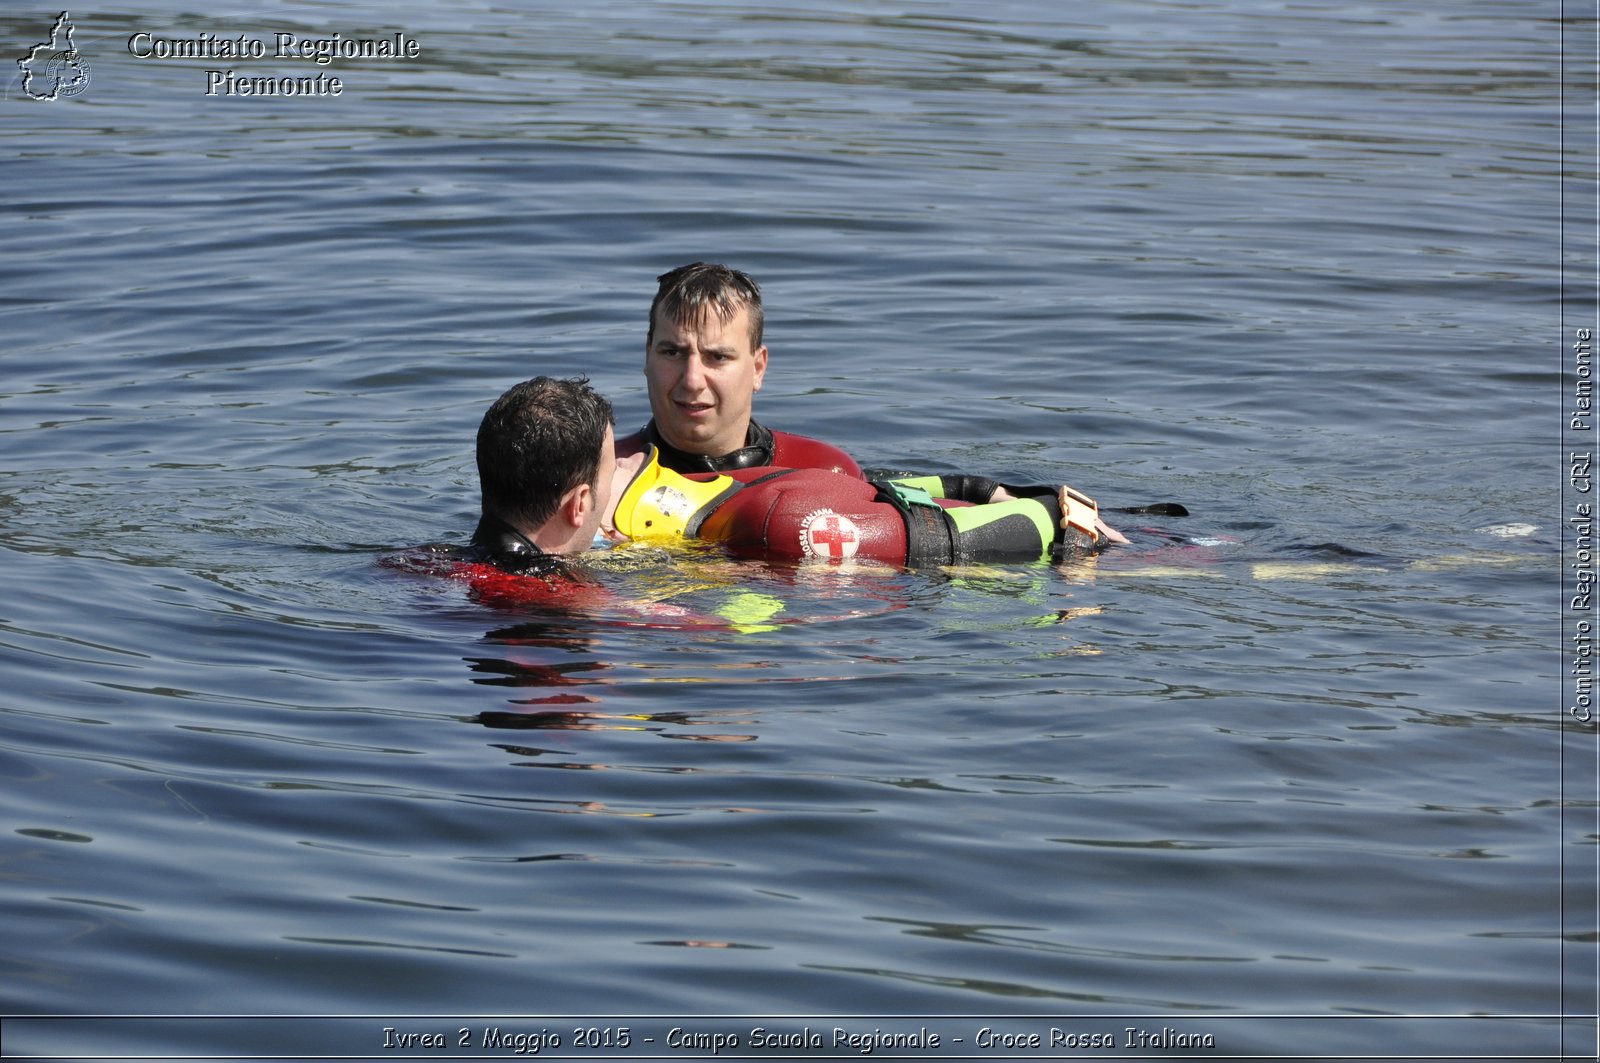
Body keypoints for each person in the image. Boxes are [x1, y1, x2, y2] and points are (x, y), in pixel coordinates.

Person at [473, 376, 1126, 574]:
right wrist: (1050, 515)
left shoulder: (431, 573)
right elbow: (929, 550)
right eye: (611, 463)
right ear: (579, 499)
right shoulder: (581, 607)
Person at [616, 262, 864, 477]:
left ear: (757, 368)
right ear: (648, 357)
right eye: (672, 353)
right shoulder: (600, 477)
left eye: (718, 356)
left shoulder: (825, 472)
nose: (692, 381)